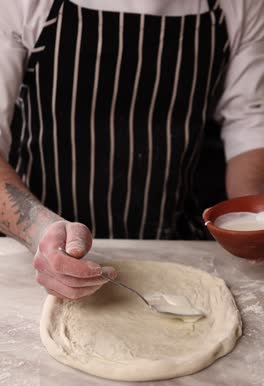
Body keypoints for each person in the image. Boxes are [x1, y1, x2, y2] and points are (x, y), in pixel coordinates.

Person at [0, 0, 263, 299]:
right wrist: (40, 232)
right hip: (38, 254)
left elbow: (249, 123)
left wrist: (255, 224)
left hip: (176, 247)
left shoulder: (240, 5)